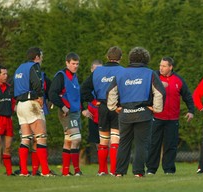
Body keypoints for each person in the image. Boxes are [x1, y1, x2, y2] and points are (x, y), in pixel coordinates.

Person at [107, 47, 166, 177]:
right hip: (143, 113)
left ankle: (119, 172)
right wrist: (156, 109)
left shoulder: (121, 73)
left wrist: (114, 107)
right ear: (146, 59)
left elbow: (111, 92)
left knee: (124, 143)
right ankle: (138, 172)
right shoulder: (150, 73)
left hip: (125, 113)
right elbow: (160, 92)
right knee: (141, 144)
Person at [146, 57, 194, 175]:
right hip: (156, 117)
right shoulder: (153, 78)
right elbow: (145, 92)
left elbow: (187, 96)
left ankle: (169, 169)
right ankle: (151, 170)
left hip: (172, 119)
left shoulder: (179, 80)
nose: (161, 68)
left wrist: (191, 110)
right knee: (153, 144)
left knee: (170, 146)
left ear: (170, 67)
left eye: (164, 66)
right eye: (160, 65)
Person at [81, 47, 124, 176]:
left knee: (103, 141)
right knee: (115, 140)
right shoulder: (123, 71)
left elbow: (84, 89)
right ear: (120, 58)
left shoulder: (97, 72)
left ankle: (102, 170)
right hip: (117, 108)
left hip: (103, 107)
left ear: (107, 57)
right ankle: (114, 170)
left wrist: (94, 101)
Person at [13, 47, 53, 177]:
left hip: (20, 105)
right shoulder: (34, 67)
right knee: (41, 137)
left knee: (25, 138)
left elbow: (12, 88)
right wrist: (40, 96)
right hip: (31, 104)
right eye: (41, 56)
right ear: (36, 57)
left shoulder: (19, 68)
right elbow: (37, 83)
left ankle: (24, 171)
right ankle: (45, 171)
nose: (42, 58)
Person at [49, 52, 83, 176]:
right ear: (67, 63)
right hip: (67, 112)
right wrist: (63, 106)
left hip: (75, 112)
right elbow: (52, 93)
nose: (75, 66)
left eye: (77, 64)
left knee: (68, 141)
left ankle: (65, 171)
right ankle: (77, 171)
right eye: (73, 63)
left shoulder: (74, 76)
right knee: (76, 139)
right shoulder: (61, 76)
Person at [80, 59, 102, 165]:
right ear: (91, 69)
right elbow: (80, 96)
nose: (98, 72)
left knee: (110, 139)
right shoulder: (88, 83)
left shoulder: (105, 81)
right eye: (95, 69)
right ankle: (102, 167)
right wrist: (83, 110)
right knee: (98, 142)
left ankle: (113, 166)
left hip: (105, 113)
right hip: (93, 115)